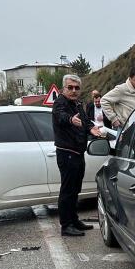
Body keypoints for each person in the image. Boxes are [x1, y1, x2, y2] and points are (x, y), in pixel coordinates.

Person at [52, 74, 105, 237]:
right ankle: (66, 225)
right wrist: (69, 119)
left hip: (78, 153)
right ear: (63, 88)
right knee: (67, 190)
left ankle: (74, 220)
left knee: (75, 189)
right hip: (67, 153)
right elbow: (60, 116)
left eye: (76, 88)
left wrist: (91, 128)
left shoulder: (77, 103)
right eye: (70, 88)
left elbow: (86, 120)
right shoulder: (60, 103)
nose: (74, 91)